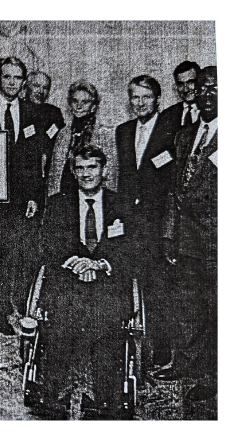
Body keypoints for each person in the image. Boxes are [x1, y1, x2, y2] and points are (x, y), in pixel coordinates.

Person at [38, 146, 133, 419]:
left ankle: (105, 400)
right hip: (69, 279)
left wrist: (100, 264)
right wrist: (76, 262)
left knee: (108, 321)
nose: (86, 174)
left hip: (108, 280)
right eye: (80, 168)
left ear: (104, 170)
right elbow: (49, 244)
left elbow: (133, 248)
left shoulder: (122, 204)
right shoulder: (58, 203)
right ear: (72, 171)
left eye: (92, 168)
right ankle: (54, 395)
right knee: (60, 317)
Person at [0, 56, 51, 344]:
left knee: (8, 259)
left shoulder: (32, 113)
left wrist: (33, 197)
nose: (12, 83)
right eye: (7, 77)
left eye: (17, 78)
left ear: (23, 82)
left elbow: (34, 160)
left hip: (18, 200)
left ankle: (0, 313)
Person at [159, 67, 217, 402]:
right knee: (189, 307)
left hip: (218, 241)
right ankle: (188, 364)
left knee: (220, 309)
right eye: (201, 88)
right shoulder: (185, 136)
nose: (205, 95)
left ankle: (216, 377)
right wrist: (168, 234)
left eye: (215, 89)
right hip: (185, 240)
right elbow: (173, 191)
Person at [115, 75, 178, 367]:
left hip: (156, 222)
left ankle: (161, 351)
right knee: (127, 279)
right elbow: (125, 178)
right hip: (129, 219)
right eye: (135, 97)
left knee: (158, 287)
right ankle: (126, 348)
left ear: (157, 100)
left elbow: (171, 183)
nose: (140, 103)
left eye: (146, 97)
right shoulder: (123, 131)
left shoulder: (172, 131)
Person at [47, 80, 118, 197]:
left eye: (85, 102)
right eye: (75, 101)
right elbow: (54, 174)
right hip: (65, 196)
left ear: (93, 107)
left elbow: (110, 173)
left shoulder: (105, 134)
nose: (79, 106)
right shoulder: (63, 133)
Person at [25, 71, 65, 143]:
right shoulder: (18, 109)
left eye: (45, 88)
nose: (41, 91)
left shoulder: (54, 112)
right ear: (27, 87)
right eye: (36, 86)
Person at [160, 61, 202, 130]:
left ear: (200, 82)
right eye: (181, 84)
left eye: (190, 82)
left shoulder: (209, 110)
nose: (186, 89)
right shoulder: (167, 115)